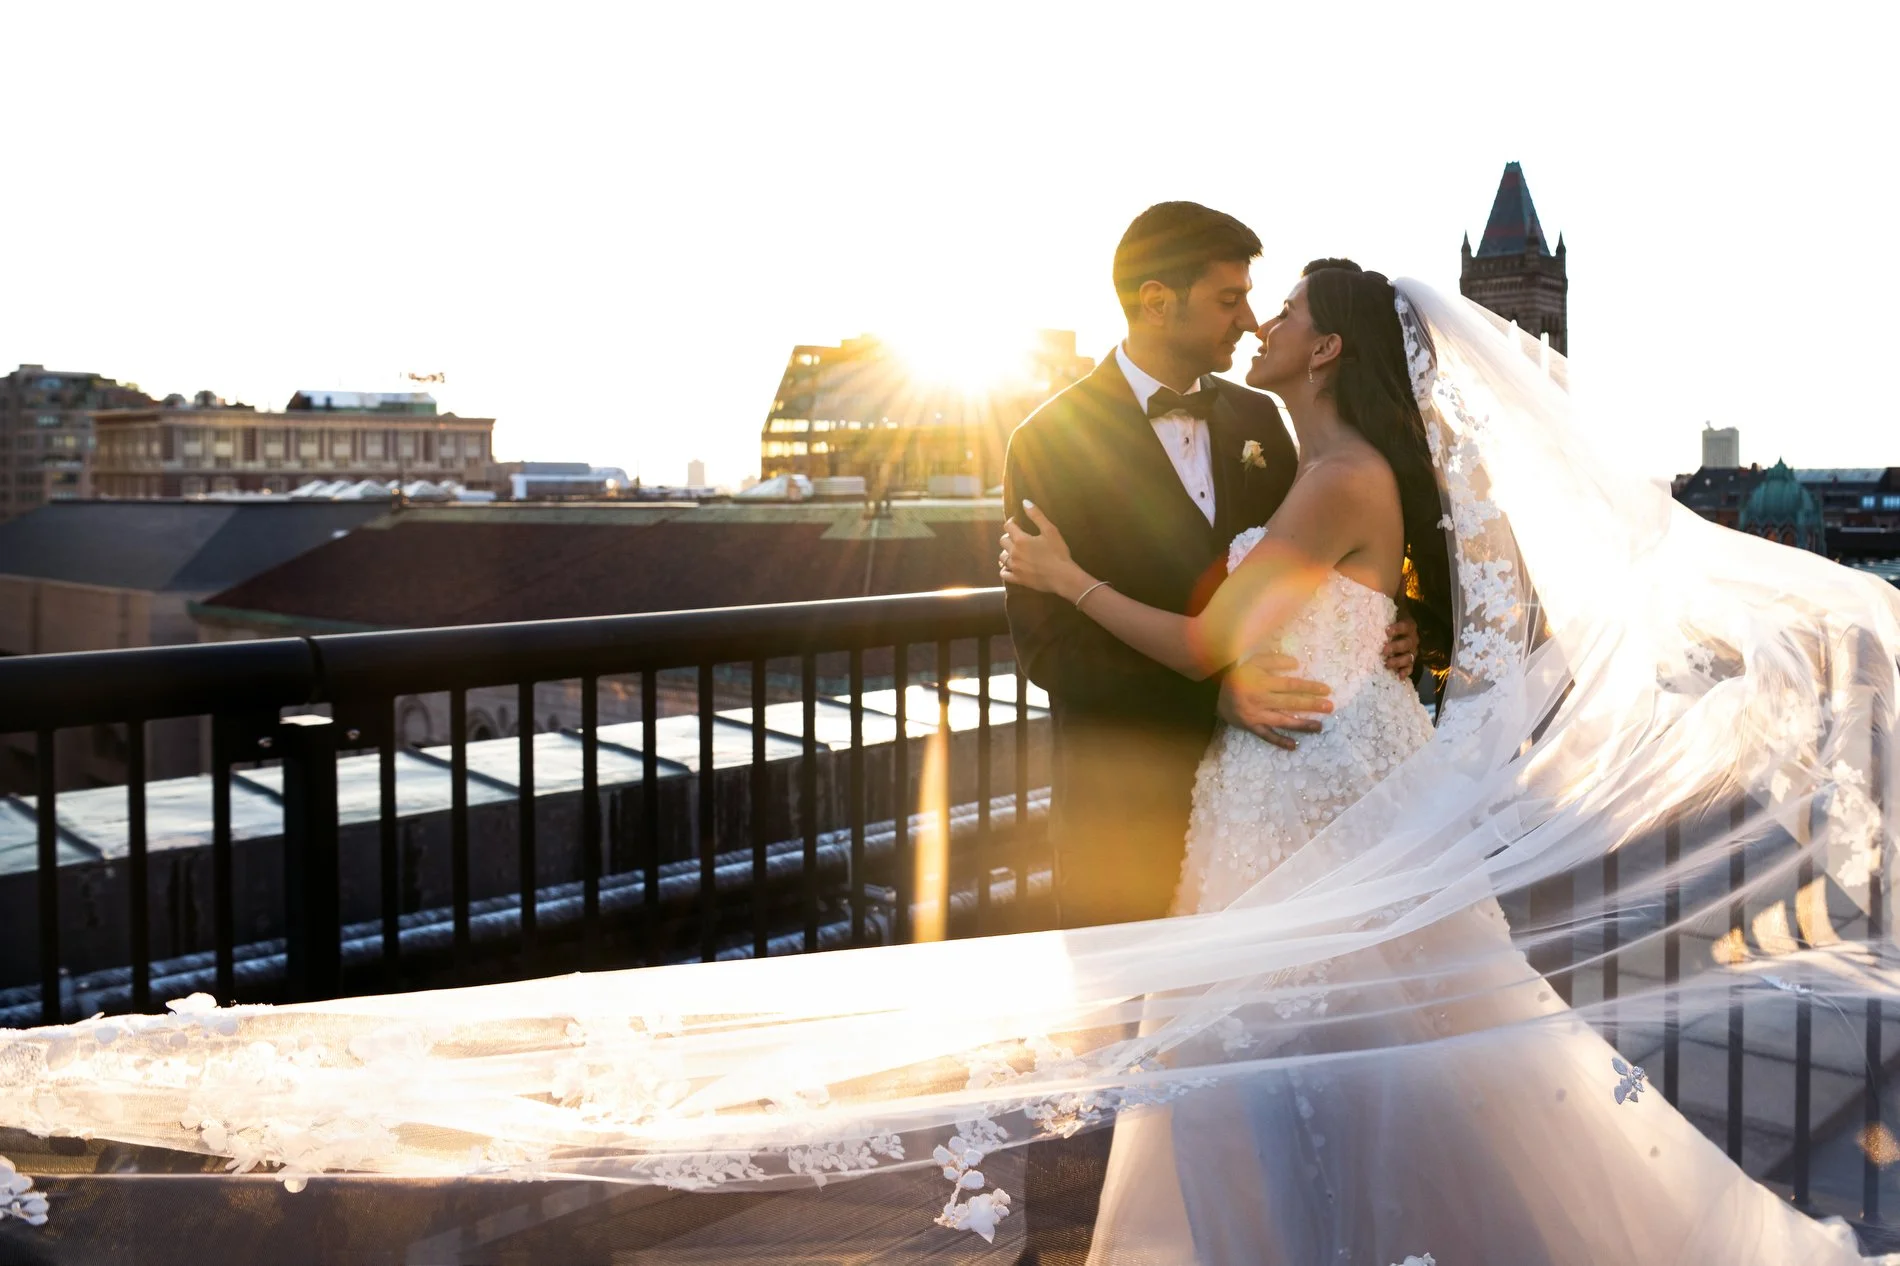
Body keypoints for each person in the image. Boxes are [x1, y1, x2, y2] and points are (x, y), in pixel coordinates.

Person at [1000, 209, 1417, 1262]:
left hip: (1276, 794)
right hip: (1128, 800)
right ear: (1157, 300)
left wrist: (1382, 626)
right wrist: (1215, 696)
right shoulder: (1045, 438)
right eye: (1229, 298)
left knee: (1273, 1053)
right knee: (1111, 1051)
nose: (1245, 318)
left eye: (1258, 304)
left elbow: (1307, 572)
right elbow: (1048, 647)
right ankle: (1065, 1249)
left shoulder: (1263, 420)